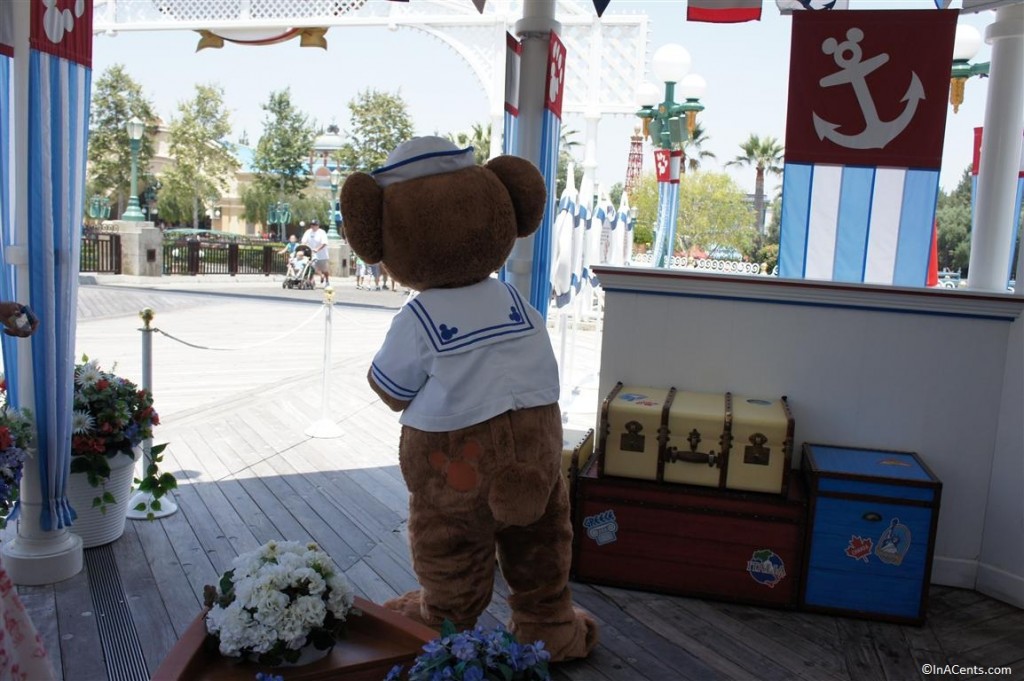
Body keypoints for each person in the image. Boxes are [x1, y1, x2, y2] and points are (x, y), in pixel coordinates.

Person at [301, 219, 330, 287]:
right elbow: (304, 241)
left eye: (314, 225)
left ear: (318, 225)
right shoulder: (308, 232)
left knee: (324, 270)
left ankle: (327, 281)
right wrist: (303, 247)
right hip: (312, 254)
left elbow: (324, 243)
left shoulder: (322, 232)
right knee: (312, 267)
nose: (313, 226)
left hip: (322, 255)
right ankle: (312, 281)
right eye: (312, 225)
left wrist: (317, 249)